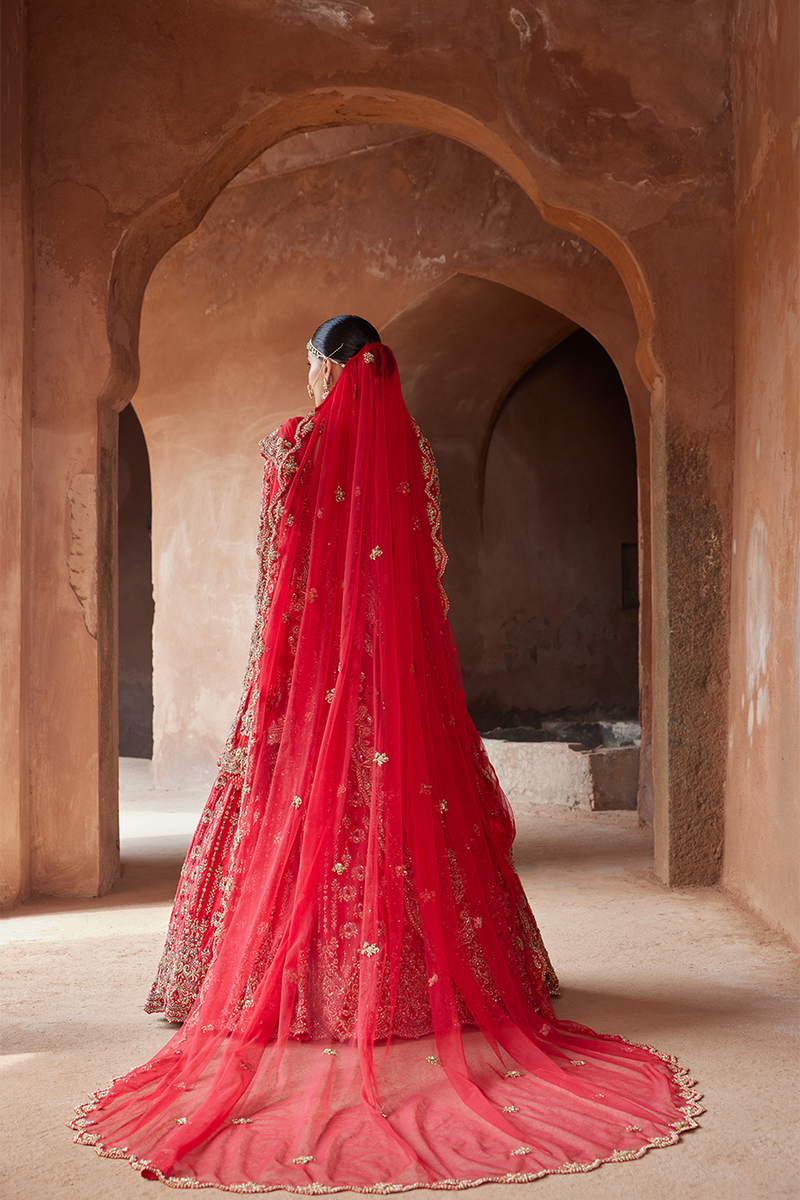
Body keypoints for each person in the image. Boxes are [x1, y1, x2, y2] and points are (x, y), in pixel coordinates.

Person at [72, 315, 701, 1190]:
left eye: (310, 363)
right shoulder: (412, 451)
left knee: (297, 811)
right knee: (404, 811)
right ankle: (428, 988)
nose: (307, 378)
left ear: (331, 369)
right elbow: (422, 580)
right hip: (396, 676)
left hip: (308, 671)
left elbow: (277, 578)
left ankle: (283, 989)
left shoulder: (291, 446)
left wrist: (269, 686)